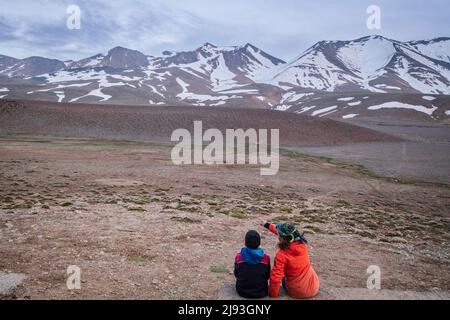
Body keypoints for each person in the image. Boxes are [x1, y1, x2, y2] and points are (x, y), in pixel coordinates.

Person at [262, 222, 320, 299]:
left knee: (283, 279)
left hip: (298, 292)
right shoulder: (303, 245)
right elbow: (284, 234)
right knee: (307, 267)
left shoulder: (282, 255)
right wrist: (267, 225)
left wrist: (273, 295)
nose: (278, 235)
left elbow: (276, 278)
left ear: (283, 238)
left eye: (279, 235)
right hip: (314, 286)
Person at [234, 230, 271, 298]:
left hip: (242, 291)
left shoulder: (239, 257)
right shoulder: (266, 258)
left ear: (245, 243)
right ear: (259, 243)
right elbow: (267, 276)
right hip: (261, 291)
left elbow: (236, 274)